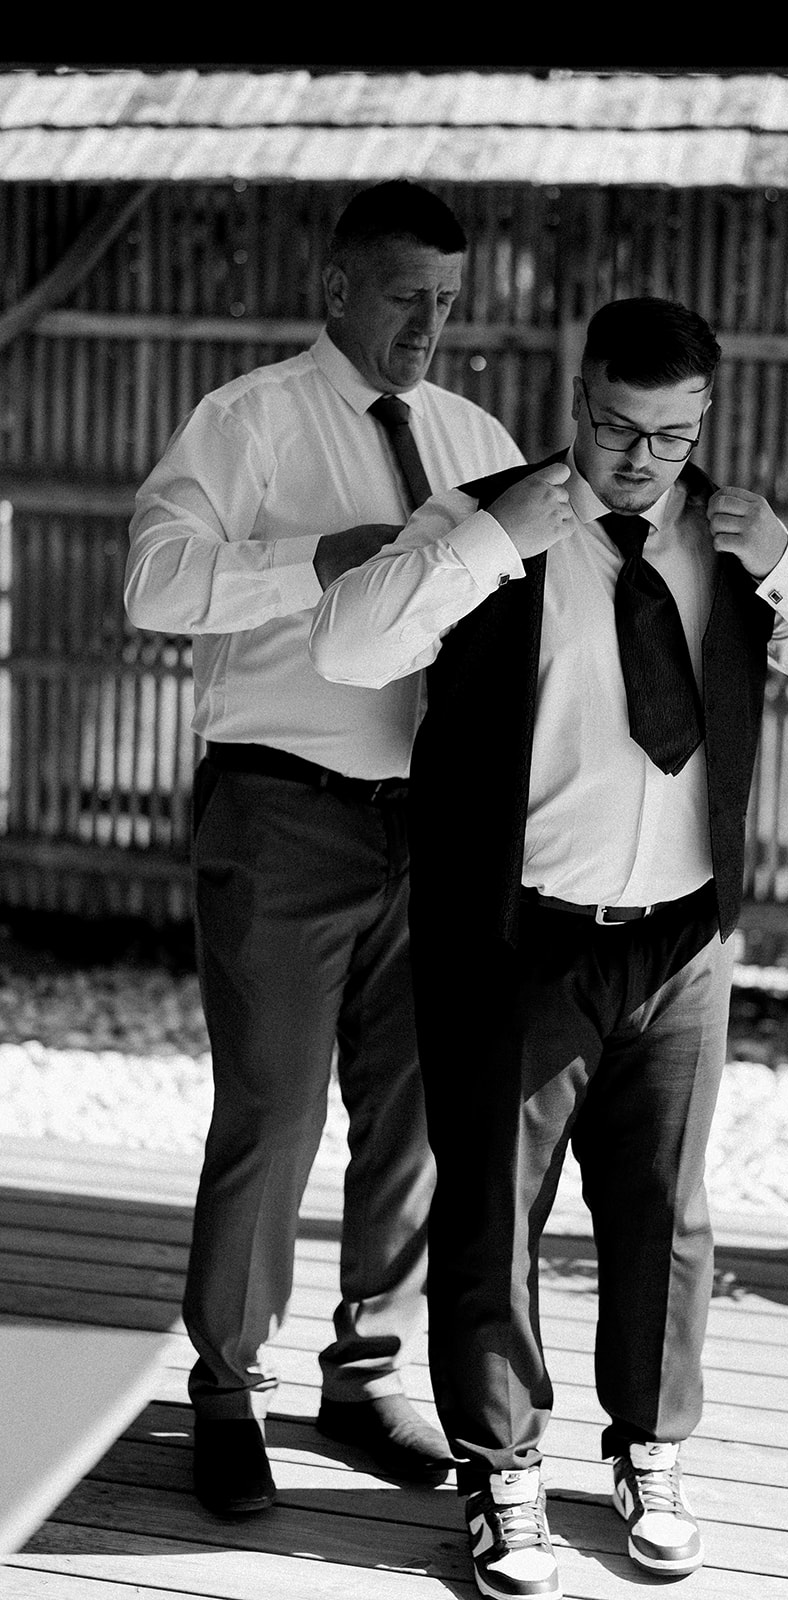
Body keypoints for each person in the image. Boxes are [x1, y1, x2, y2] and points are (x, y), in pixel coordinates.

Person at [309, 296, 788, 1599]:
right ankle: (502, 1471)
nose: (643, 459)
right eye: (621, 428)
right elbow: (346, 645)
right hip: (520, 939)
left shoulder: (737, 545)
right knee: (492, 1217)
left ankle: (650, 1450)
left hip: (683, 940)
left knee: (666, 1214)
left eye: (673, 435)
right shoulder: (483, 519)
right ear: (579, 400)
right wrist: (487, 546)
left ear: (705, 420)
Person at [124, 180, 525, 1518]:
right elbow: (153, 584)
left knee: (411, 1116)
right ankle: (227, 1388)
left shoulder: (475, 440)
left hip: (437, 821)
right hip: (281, 811)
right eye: (407, 295)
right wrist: (314, 560)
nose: (429, 326)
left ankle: (365, 1377)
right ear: (337, 286)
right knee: (276, 1109)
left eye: (448, 301)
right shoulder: (246, 423)